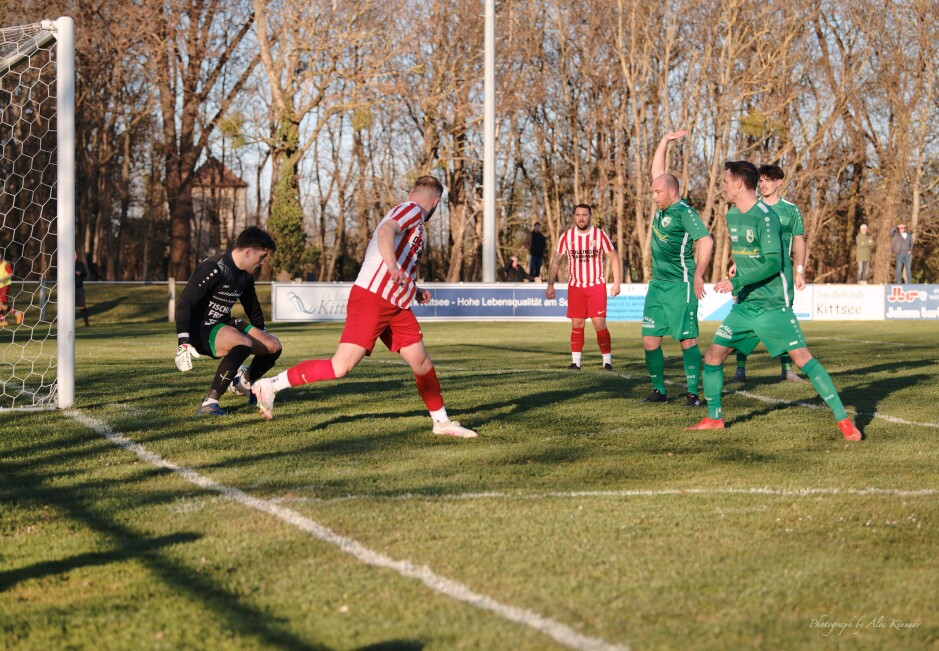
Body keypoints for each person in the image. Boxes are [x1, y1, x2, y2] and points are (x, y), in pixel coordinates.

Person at [250, 176, 477, 438]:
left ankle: (441, 422)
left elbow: (396, 258)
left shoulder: (414, 223)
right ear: (436, 202)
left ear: (414, 190)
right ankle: (271, 385)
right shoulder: (412, 210)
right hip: (373, 298)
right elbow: (385, 232)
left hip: (395, 305)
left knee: (422, 363)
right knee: (340, 366)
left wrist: (415, 289)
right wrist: (392, 267)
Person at [685, 161, 862, 441]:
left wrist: (737, 281)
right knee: (713, 356)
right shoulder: (732, 216)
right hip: (745, 306)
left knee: (802, 359)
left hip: (772, 305)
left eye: (725, 181)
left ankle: (843, 420)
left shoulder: (768, 217)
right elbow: (749, 254)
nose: (722, 186)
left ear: (739, 184)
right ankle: (714, 418)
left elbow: (773, 262)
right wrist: (737, 271)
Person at [175, 226, 283, 416]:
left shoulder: (246, 275)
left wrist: (261, 331)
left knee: (273, 346)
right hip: (201, 329)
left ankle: (244, 384)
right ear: (249, 252)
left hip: (224, 323)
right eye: (262, 257)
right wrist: (183, 342)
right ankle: (210, 403)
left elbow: (252, 305)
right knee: (243, 343)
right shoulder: (213, 268)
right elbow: (184, 304)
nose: (262, 262)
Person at [640, 130, 713, 407]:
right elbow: (658, 172)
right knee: (650, 341)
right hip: (657, 285)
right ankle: (659, 390)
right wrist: (664, 142)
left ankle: (693, 394)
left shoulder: (684, 212)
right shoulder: (662, 207)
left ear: (672, 192)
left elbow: (706, 240)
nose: (654, 195)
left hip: (681, 285)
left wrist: (698, 274)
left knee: (686, 341)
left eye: (658, 192)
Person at [730, 164, 805, 383]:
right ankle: (740, 370)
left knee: (781, 320)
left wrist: (800, 270)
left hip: (779, 276)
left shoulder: (790, 210)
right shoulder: (751, 207)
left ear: (779, 182)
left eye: (768, 180)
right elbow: (743, 239)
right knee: (743, 318)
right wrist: (736, 263)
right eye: (761, 180)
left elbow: (799, 242)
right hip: (750, 273)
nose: (763, 185)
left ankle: (787, 370)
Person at [545, 204, 621, 371]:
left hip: (596, 285)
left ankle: (607, 362)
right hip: (576, 287)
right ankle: (576, 363)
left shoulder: (599, 235)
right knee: (577, 323)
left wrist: (616, 283)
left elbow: (614, 258)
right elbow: (557, 260)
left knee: (599, 322)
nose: (581, 218)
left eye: (584, 215)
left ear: (590, 216)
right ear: (574, 217)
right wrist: (550, 284)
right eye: (578, 215)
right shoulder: (567, 236)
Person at [0, 253, 24, 327]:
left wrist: (3, 279)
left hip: (4, 286)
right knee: (1, 306)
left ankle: (17, 313)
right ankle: (3, 321)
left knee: (0, 305)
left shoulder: (5, 264)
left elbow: (10, 274)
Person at [75, 252, 90, 327]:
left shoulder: (80, 264)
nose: (73, 256)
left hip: (79, 288)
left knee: (82, 306)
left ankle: (86, 323)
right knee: (68, 306)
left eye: (74, 254)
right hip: (68, 290)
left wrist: (80, 273)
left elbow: (85, 274)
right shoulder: (66, 265)